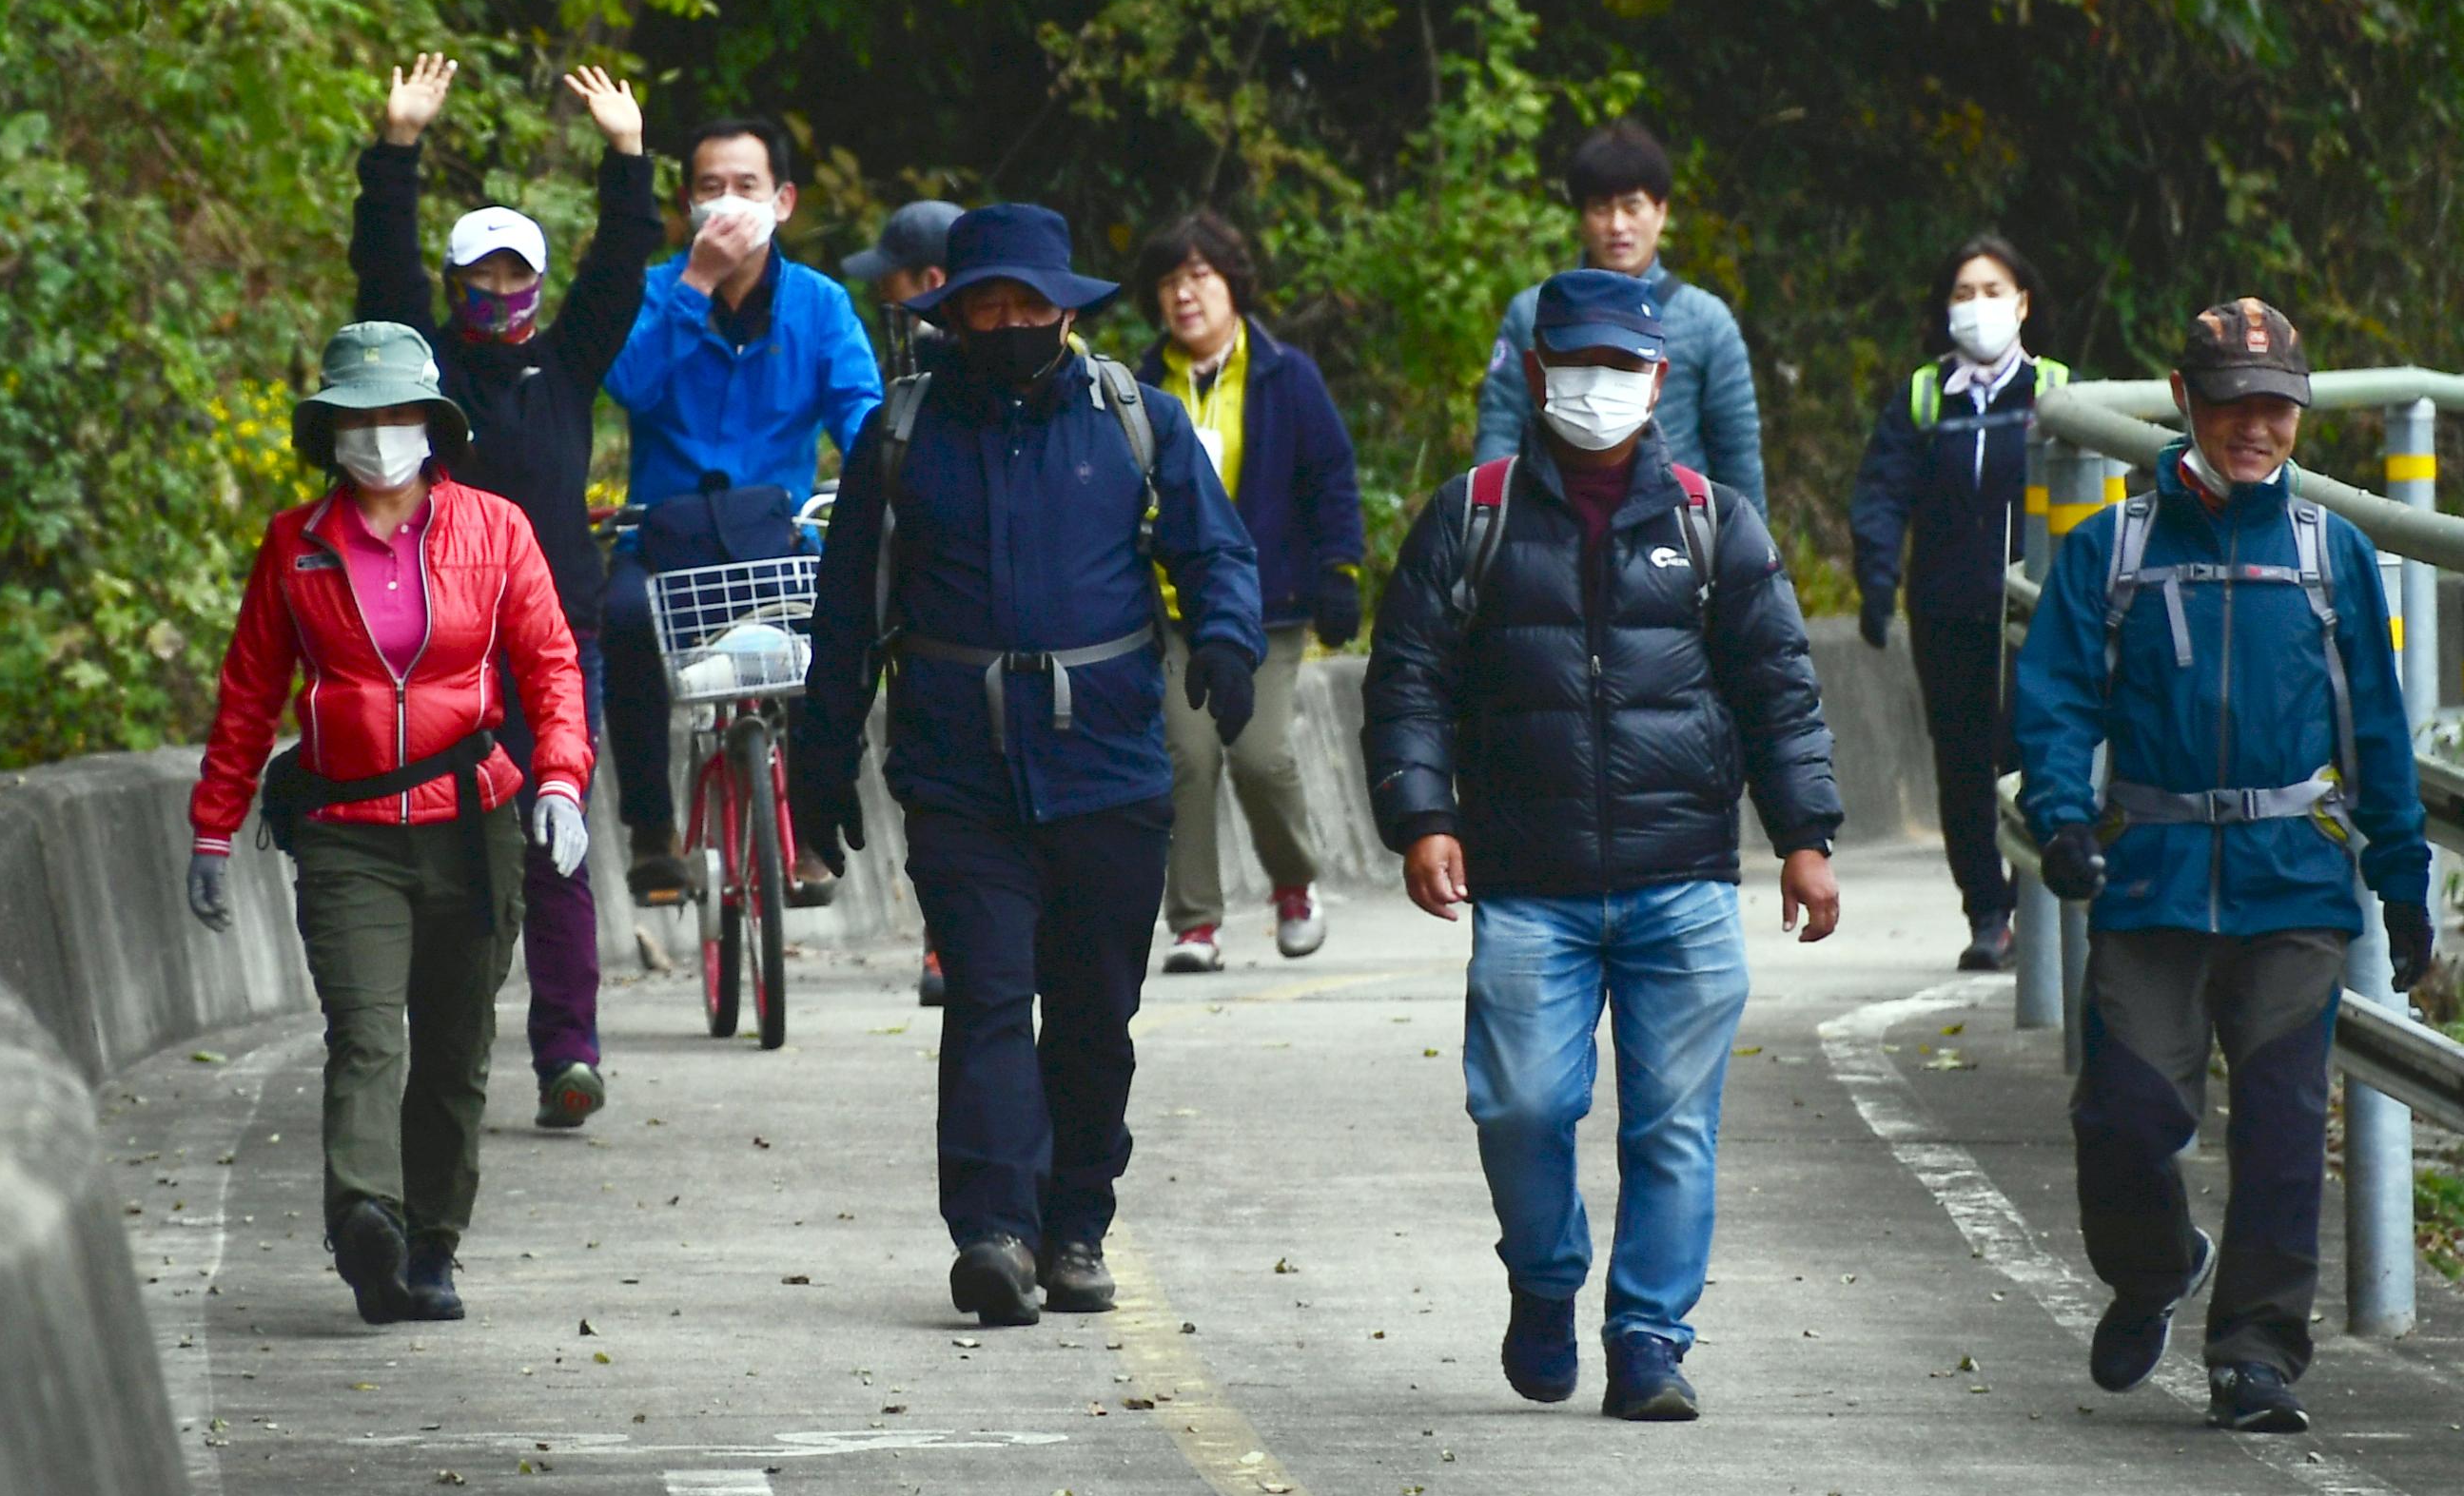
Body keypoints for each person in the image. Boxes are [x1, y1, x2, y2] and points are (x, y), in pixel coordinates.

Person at [1366, 269, 1843, 1422]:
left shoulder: (1711, 518)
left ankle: (1648, 1338)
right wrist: (1424, 817)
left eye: (1623, 367)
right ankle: (1544, 1284)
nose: (1600, 386)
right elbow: (1409, 683)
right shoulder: (1469, 513)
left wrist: (1806, 834)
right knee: (1519, 1105)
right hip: (1528, 884)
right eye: (1577, 364)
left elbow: (1779, 685)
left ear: (1658, 378)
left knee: (1674, 1122)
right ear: (1536, 373)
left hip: (1681, 879)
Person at [790, 204, 1263, 1329]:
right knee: (991, 994)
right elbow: (848, 605)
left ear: (1065, 307)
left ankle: (1078, 1218)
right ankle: (994, 1229)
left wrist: (1231, 641)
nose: (1004, 322)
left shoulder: (1132, 420)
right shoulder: (902, 434)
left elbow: (1214, 548)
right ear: (950, 311)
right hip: (958, 771)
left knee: (1096, 1009)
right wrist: (823, 751)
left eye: (1025, 303)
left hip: (1109, 766)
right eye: (983, 304)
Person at [2014, 296, 2430, 1435]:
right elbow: (2053, 699)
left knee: (2288, 1128)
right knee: (2125, 1116)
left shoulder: (2328, 552)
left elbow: (2377, 730)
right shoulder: (2118, 545)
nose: (2257, 427)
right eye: (2235, 403)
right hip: (2149, 874)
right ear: (2185, 399)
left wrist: (2401, 875)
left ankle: (2256, 1353)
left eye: (2278, 408)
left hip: (2293, 878)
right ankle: (2154, 1268)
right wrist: (2060, 816)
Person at [186, 322, 590, 1328]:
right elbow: (249, 692)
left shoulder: (495, 530)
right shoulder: (296, 544)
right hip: (347, 827)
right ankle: (366, 1215)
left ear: (430, 423)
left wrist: (561, 781)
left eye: (397, 414)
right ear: (330, 432)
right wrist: (212, 824)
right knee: (367, 1033)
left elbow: (549, 662)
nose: (379, 434)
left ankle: (433, 1242)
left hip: (474, 818)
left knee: (455, 1045)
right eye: (358, 418)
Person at [350, 52, 656, 1132]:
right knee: (445, 856)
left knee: (557, 839)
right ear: (456, 283)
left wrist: (627, 155)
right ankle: (453, 1041)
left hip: (554, 642)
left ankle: (569, 1051)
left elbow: (621, 267)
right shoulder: (423, 377)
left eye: (512, 274)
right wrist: (396, 148)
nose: (496, 292)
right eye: (477, 276)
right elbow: (381, 274)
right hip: (431, 646)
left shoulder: (566, 367)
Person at [601, 116, 887, 900]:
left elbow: (862, 414)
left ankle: (818, 818)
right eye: (710, 188)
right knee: (620, 623)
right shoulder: (655, 293)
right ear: (687, 204)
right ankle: (653, 829)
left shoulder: (821, 306)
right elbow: (626, 384)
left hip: (778, 535)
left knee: (846, 627)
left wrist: (878, 485)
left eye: (746, 187)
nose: (728, 202)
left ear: (783, 200)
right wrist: (695, 285)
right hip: (665, 541)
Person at [1126, 211, 1366, 973]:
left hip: (1268, 601)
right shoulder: (1134, 385)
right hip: (1165, 609)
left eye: (1198, 277)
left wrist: (1341, 571)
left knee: (1259, 754)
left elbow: (1331, 477)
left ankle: (1293, 883)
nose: (1184, 296)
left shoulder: (1284, 374)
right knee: (1184, 757)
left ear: (1232, 284)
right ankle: (1195, 923)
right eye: (1168, 283)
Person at [1848, 234, 2068, 973]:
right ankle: (1988, 914)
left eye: (1993, 291)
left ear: (2024, 303)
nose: (1979, 308)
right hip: (1946, 612)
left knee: (2035, 753)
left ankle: (2038, 900)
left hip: (2038, 619)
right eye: (1964, 293)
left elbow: (2099, 498)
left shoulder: (2058, 393)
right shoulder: (1921, 397)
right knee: (1965, 766)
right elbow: (1881, 493)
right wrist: (1876, 582)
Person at [1474, 121, 1768, 512]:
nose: (1617, 226)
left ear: (1661, 212)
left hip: (1676, 540)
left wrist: (1746, 559)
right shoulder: (1532, 313)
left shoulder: (1708, 323)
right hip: (1546, 527)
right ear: (1580, 217)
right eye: (1601, 208)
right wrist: (1488, 527)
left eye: (1632, 207)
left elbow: (1738, 460)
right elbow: (1499, 430)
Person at [842, 194, 966, 1006]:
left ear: (929, 280)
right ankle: (943, 941)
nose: (880, 297)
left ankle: (952, 943)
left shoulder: (970, 367)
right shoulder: (905, 367)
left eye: (889, 281)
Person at [845, 197, 964, 382]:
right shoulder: (914, 350)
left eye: (888, 281)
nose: (882, 292)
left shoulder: (942, 364)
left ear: (932, 281)